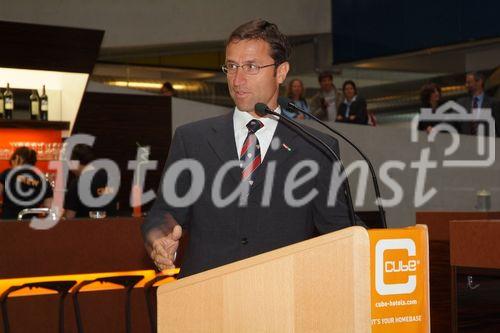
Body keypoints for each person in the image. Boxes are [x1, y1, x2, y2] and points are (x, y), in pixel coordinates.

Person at [142, 19, 352, 278]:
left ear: (281, 71)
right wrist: (159, 239)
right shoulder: (192, 139)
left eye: (251, 67)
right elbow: (164, 212)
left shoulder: (316, 148)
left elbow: (342, 229)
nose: (237, 79)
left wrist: (390, 243)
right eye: (231, 66)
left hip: (282, 298)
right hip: (205, 298)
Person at [63, 144, 118, 219]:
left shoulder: (77, 183)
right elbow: (117, 205)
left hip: (86, 228)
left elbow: (69, 216)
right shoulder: (110, 177)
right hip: (112, 227)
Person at [0, 147, 53, 220]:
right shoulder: (43, 181)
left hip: (9, 223)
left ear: (17, 158)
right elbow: (49, 208)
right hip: (31, 225)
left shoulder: (7, 174)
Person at [457, 72, 500, 137]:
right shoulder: (461, 103)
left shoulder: (493, 103)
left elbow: (498, 127)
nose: (466, 85)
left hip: (486, 144)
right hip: (466, 143)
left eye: (469, 82)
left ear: (479, 82)